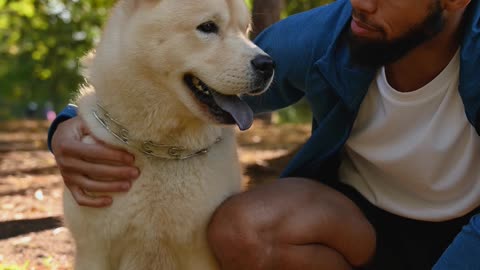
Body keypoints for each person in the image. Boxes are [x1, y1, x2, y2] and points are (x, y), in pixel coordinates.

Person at [48, 0, 480, 269]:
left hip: (469, 233)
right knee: (243, 229)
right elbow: (211, 76)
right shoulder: (331, 34)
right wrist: (67, 126)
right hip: (360, 227)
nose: (360, 4)